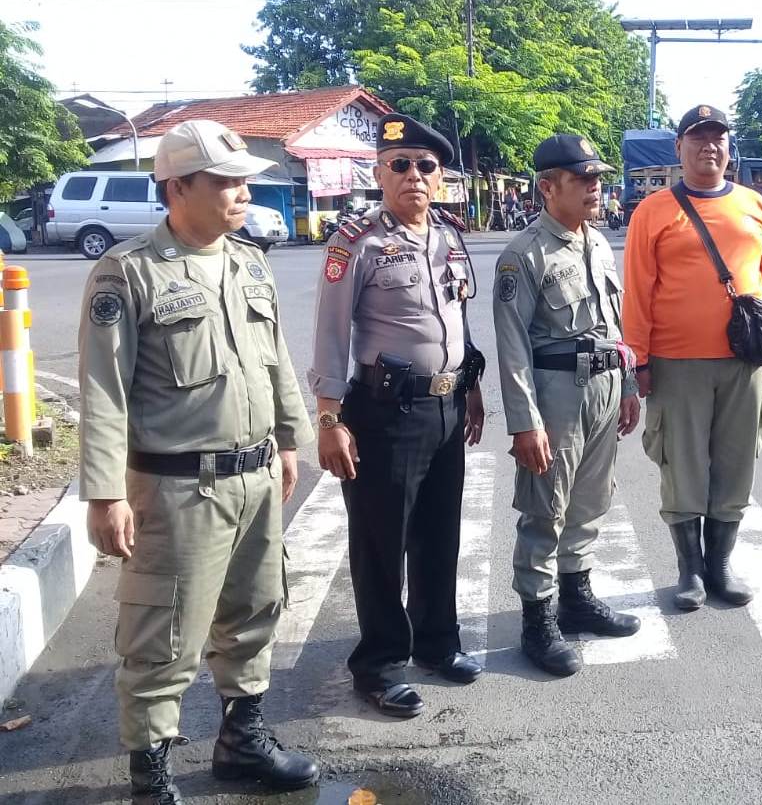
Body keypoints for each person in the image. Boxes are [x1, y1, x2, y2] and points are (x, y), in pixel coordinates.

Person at [79, 119, 319, 803]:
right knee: (164, 636)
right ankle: (150, 776)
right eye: (225, 182)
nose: (242, 193)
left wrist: (289, 440)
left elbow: (273, 360)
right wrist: (106, 493)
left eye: (245, 182)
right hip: (180, 489)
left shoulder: (249, 261)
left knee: (255, 610)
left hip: (255, 476)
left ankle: (241, 742)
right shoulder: (129, 272)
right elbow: (104, 389)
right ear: (177, 187)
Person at [310, 113, 486, 719]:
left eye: (425, 166)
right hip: (385, 412)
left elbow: (457, 319)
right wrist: (329, 419)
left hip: (446, 405)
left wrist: (470, 386)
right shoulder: (355, 242)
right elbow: (330, 334)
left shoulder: (450, 236)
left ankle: (437, 643)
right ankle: (381, 664)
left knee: (439, 533)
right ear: (379, 174)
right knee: (381, 541)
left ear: (440, 178)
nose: (414, 175)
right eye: (400, 165)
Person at [623, 104, 762, 612]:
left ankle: (720, 564)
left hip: (746, 360)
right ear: (679, 148)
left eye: (717, 137)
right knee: (682, 465)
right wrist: (639, 360)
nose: (709, 147)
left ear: (728, 147)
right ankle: (690, 570)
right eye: (698, 138)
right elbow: (638, 290)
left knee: (737, 461)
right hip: (676, 361)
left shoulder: (754, 205)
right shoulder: (653, 211)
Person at [493, 134, 643, 677]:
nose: (595, 187)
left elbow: (613, 324)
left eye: (597, 178)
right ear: (548, 187)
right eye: (582, 179)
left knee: (590, 501)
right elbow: (512, 346)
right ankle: (537, 621)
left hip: (603, 386)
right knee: (545, 508)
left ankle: (576, 599)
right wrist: (524, 423)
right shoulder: (524, 254)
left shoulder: (597, 242)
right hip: (556, 395)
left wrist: (628, 385)